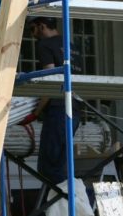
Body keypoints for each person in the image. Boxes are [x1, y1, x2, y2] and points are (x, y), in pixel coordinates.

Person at [20, 16, 82, 186]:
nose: (32, 35)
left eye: (32, 29)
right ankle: (66, 207)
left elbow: (51, 80)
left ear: (41, 26)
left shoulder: (45, 45)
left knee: (48, 169)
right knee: (59, 166)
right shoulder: (71, 46)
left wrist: (36, 112)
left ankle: (78, 200)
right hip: (75, 109)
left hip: (58, 110)